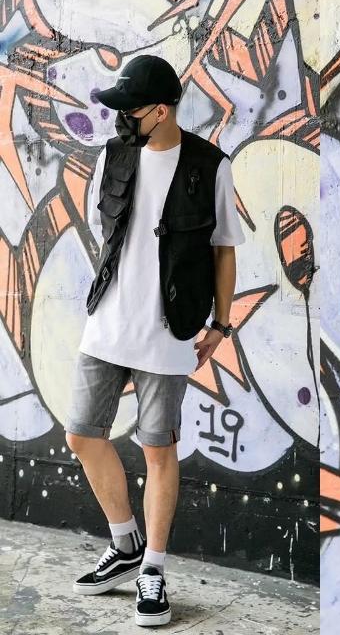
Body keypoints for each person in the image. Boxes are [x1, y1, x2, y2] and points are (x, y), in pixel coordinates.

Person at [64, 54, 245, 627]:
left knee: (157, 451)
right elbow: (107, 235)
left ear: (161, 111)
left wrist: (220, 325)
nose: (121, 119)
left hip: (170, 332)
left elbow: (223, 251)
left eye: (130, 110)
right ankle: (125, 544)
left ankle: (153, 570)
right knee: (81, 435)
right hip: (107, 324)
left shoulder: (210, 166)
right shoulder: (112, 156)